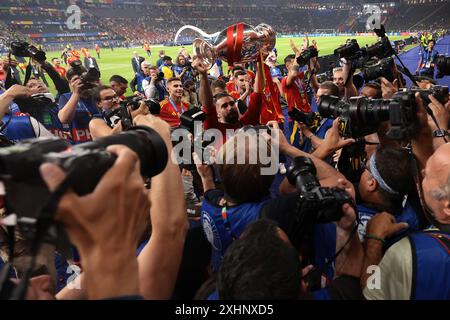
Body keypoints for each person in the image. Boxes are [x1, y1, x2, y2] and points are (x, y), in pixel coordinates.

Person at [362, 143, 450, 300]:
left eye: (428, 175)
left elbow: (372, 288)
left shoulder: (407, 253)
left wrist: (374, 241)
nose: (421, 172)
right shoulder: (418, 214)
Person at [57, 65, 100, 144]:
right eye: (75, 79)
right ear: (70, 83)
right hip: (83, 144)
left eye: (83, 77)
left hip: (103, 140)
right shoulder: (66, 97)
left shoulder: (98, 94)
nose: (81, 81)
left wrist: (98, 86)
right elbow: (63, 119)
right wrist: (76, 93)